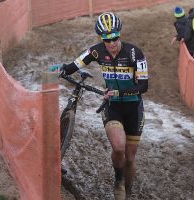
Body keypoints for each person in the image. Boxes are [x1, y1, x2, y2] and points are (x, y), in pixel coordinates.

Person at [51, 12, 148, 200]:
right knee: (118, 147)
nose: (111, 43)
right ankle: (118, 181)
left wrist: (120, 92)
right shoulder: (96, 51)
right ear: (101, 38)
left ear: (119, 34)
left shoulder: (135, 53)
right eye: (106, 39)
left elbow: (144, 86)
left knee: (129, 158)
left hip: (134, 108)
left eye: (114, 38)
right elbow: (74, 65)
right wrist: (61, 68)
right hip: (112, 108)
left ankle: (128, 192)